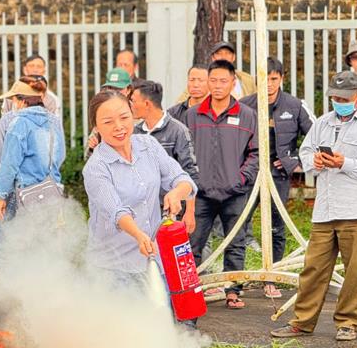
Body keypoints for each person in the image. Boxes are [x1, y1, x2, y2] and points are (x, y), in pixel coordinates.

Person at [272, 71, 357, 342]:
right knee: (313, 268)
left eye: (344, 98)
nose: (338, 101)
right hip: (324, 209)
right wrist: (313, 162)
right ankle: (302, 322)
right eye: (334, 97)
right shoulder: (322, 123)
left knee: (354, 271)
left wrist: (346, 163)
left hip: (355, 209)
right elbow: (305, 151)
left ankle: (348, 323)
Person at [82, 90, 195, 294]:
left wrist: (177, 193)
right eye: (108, 122)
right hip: (113, 269)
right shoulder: (96, 167)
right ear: (96, 127)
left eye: (124, 117)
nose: (119, 127)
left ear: (132, 114)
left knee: (161, 322)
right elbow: (116, 211)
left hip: (153, 261)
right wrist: (138, 234)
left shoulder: (148, 145)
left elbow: (182, 178)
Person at [186, 59, 259, 310]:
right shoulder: (193, 115)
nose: (217, 86)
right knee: (193, 243)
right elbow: (185, 152)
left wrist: (240, 179)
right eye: (213, 80)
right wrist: (193, 181)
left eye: (223, 81)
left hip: (235, 193)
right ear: (208, 81)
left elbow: (256, 153)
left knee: (235, 242)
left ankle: (233, 291)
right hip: (201, 193)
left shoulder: (247, 115)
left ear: (233, 83)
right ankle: (191, 292)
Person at [241, 57, 315, 298]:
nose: (269, 84)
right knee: (240, 224)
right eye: (265, 79)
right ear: (257, 80)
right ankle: (235, 281)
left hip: (278, 175)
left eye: (274, 79)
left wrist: (293, 161)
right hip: (250, 175)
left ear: (281, 79)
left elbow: (317, 137)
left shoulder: (294, 105)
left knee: (276, 226)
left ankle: (271, 278)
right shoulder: (244, 105)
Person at [130, 79, 199, 234]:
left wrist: (190, 212)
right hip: (141, 212)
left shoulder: (178, 131)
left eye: (133, 101)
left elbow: (190, 173)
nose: (130, 105)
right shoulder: (134, 132)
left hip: (171, 212)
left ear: (147, 103)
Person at [0, 78, 65, 221]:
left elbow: (9, 164)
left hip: (25, 192)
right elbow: (60, 156)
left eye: (13, 100)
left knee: (23, 239)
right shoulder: (54, 121)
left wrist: (1, 196)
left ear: (21, 101)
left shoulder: (19, 123)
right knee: (49, 238)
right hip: (52, 190)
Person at [1, 53, 61, 118]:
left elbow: (54, 124)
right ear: (25, 69)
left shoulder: (52, 99)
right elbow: (4, 122)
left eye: (39, 66)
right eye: (31, 66)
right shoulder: (11, 96)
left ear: (44, 71)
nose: (35, 70)